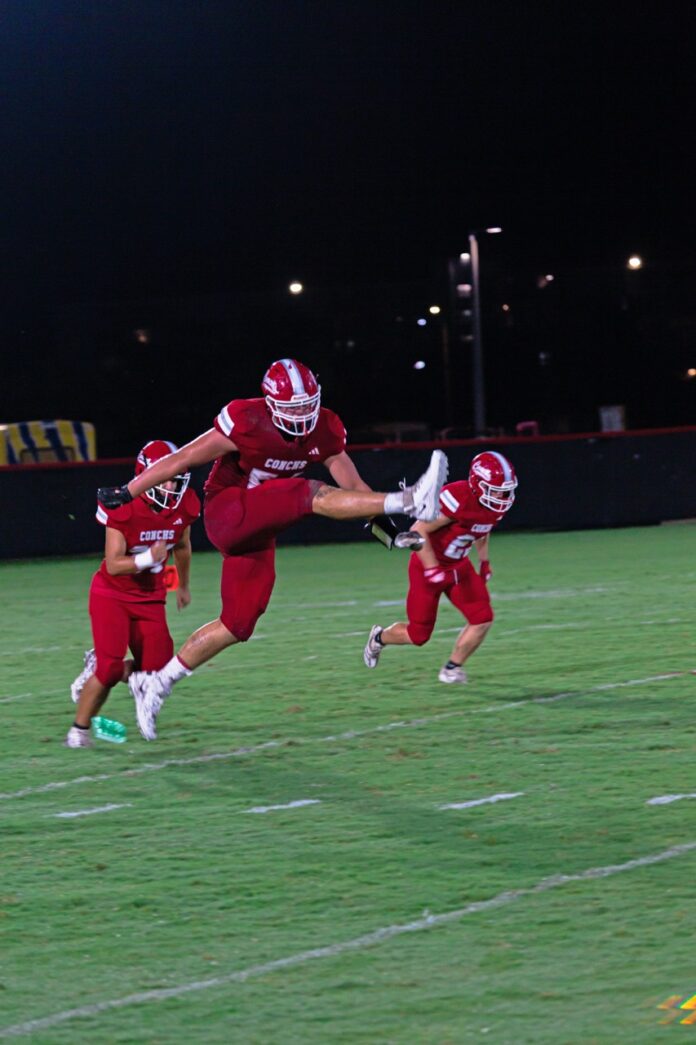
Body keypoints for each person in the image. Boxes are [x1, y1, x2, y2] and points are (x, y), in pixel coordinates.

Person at [97, 358, 448, 740]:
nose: (301, 414)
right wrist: (128, 492)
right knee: (304, 492)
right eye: (292, 406)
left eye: (306, 404)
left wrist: (388, 534)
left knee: (239, 623)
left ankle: (156, 684)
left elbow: (352, 484)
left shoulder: (325, 428)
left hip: (259, 530)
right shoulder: (246, 419)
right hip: (227, 512)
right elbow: (183, 458)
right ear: (270, 403)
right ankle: (411, 498)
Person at [64, 440, 200, 748]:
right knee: (110, 670)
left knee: (159, 672)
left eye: (176, 476)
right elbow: (113, 565)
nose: (171, 484)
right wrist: (147, 559)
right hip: (112, 595)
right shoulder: (122, 504)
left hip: (151, 597)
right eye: (164, 476)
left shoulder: (185, 504)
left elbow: (181, 546)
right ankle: (79, 730)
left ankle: (99, 666)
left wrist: (179, 585)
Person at [363, 450, 518, 683]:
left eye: (507, 490)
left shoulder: (493, 506)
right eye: (498, 490)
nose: (503, 496)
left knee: (482, 618)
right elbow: (418, 531)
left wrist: (484, 562)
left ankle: (452, 668)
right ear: (478, 484)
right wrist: (432, 569)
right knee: (419, 635)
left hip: (458, 566)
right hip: (427, 565)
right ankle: (379, 638)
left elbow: (481, 531)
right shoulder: (457, 497)